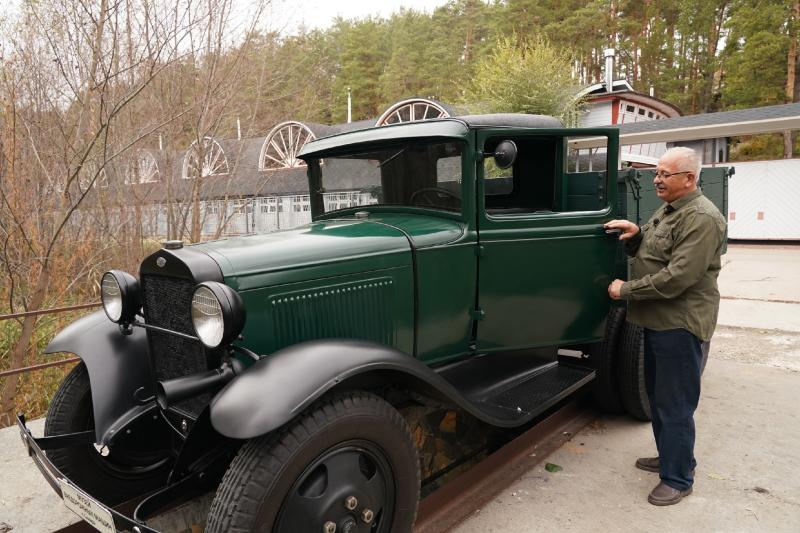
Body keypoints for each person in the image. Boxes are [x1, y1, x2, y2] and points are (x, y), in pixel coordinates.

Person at [604, 146, 727, 506]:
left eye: (664, 174)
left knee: (675, 403)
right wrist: (635, 233)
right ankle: (672, 456)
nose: (656, 179)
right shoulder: (673, 209)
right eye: (656, 173)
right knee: (660, 398)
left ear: (689, 179)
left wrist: (625, 290)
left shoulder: (702, 218)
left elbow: (678, 277)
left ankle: (678, 478)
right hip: (660, 322)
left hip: (680, 324)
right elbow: (658, 250)